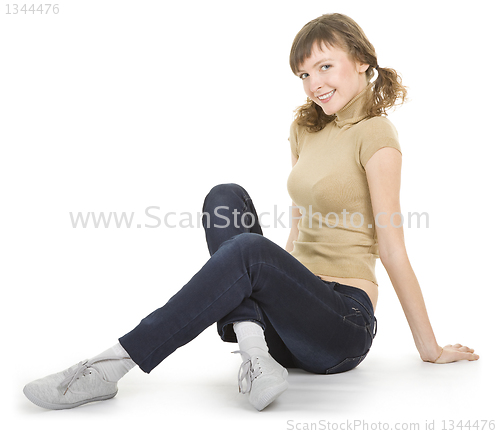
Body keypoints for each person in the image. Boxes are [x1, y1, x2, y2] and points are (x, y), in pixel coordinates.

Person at [23, 13, 479, 412]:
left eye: (324, 66)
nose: (314, 83)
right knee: (225, 198)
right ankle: (256, 355)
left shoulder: (377, 133)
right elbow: (298, 225)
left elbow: (393, 247)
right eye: (303, 74)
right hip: (285, 324)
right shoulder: (305, 129)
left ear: (361, 61)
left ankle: (109, 366)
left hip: (340, 326)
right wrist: (266, 281)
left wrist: (430, 348)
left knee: (248, 251)